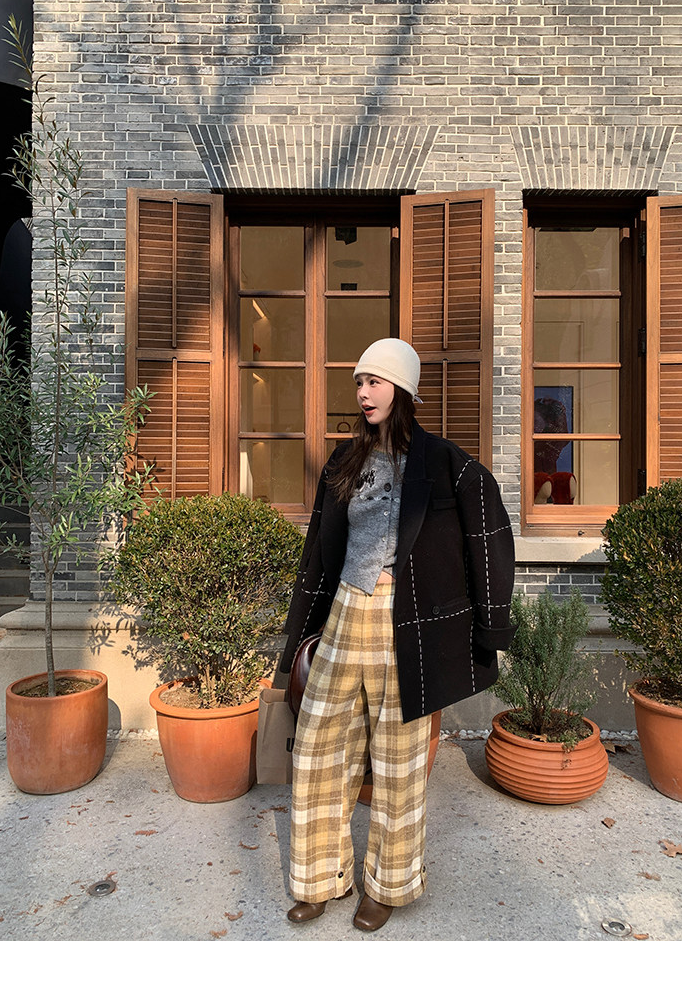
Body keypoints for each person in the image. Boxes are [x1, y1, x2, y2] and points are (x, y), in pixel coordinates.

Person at [278, 338, 515, 932]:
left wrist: (490, 625)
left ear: (402, 389)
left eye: (375, 382)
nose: (363, 393)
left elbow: (489, 539)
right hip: (343, 613)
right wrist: (298, 633)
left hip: (403, 622)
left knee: (399, 759)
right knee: (317, 746)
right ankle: (320, 877)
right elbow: (319, 549)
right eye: (359, 382)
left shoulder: (446, 463)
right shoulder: (344, 460)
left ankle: (387, 884)